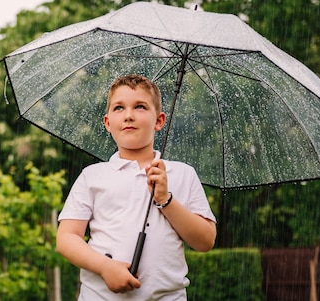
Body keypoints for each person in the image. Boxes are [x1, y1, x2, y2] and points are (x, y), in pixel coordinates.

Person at [56, 74, 217, 300]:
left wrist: (165, 200)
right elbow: (66, 238)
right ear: (107, 122)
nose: (129, 116)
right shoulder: (92, 176)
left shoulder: (182, 174)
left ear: (159, 121)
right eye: (119, 108)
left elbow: (205, 241)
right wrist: (105, 267)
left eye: (140, 107)